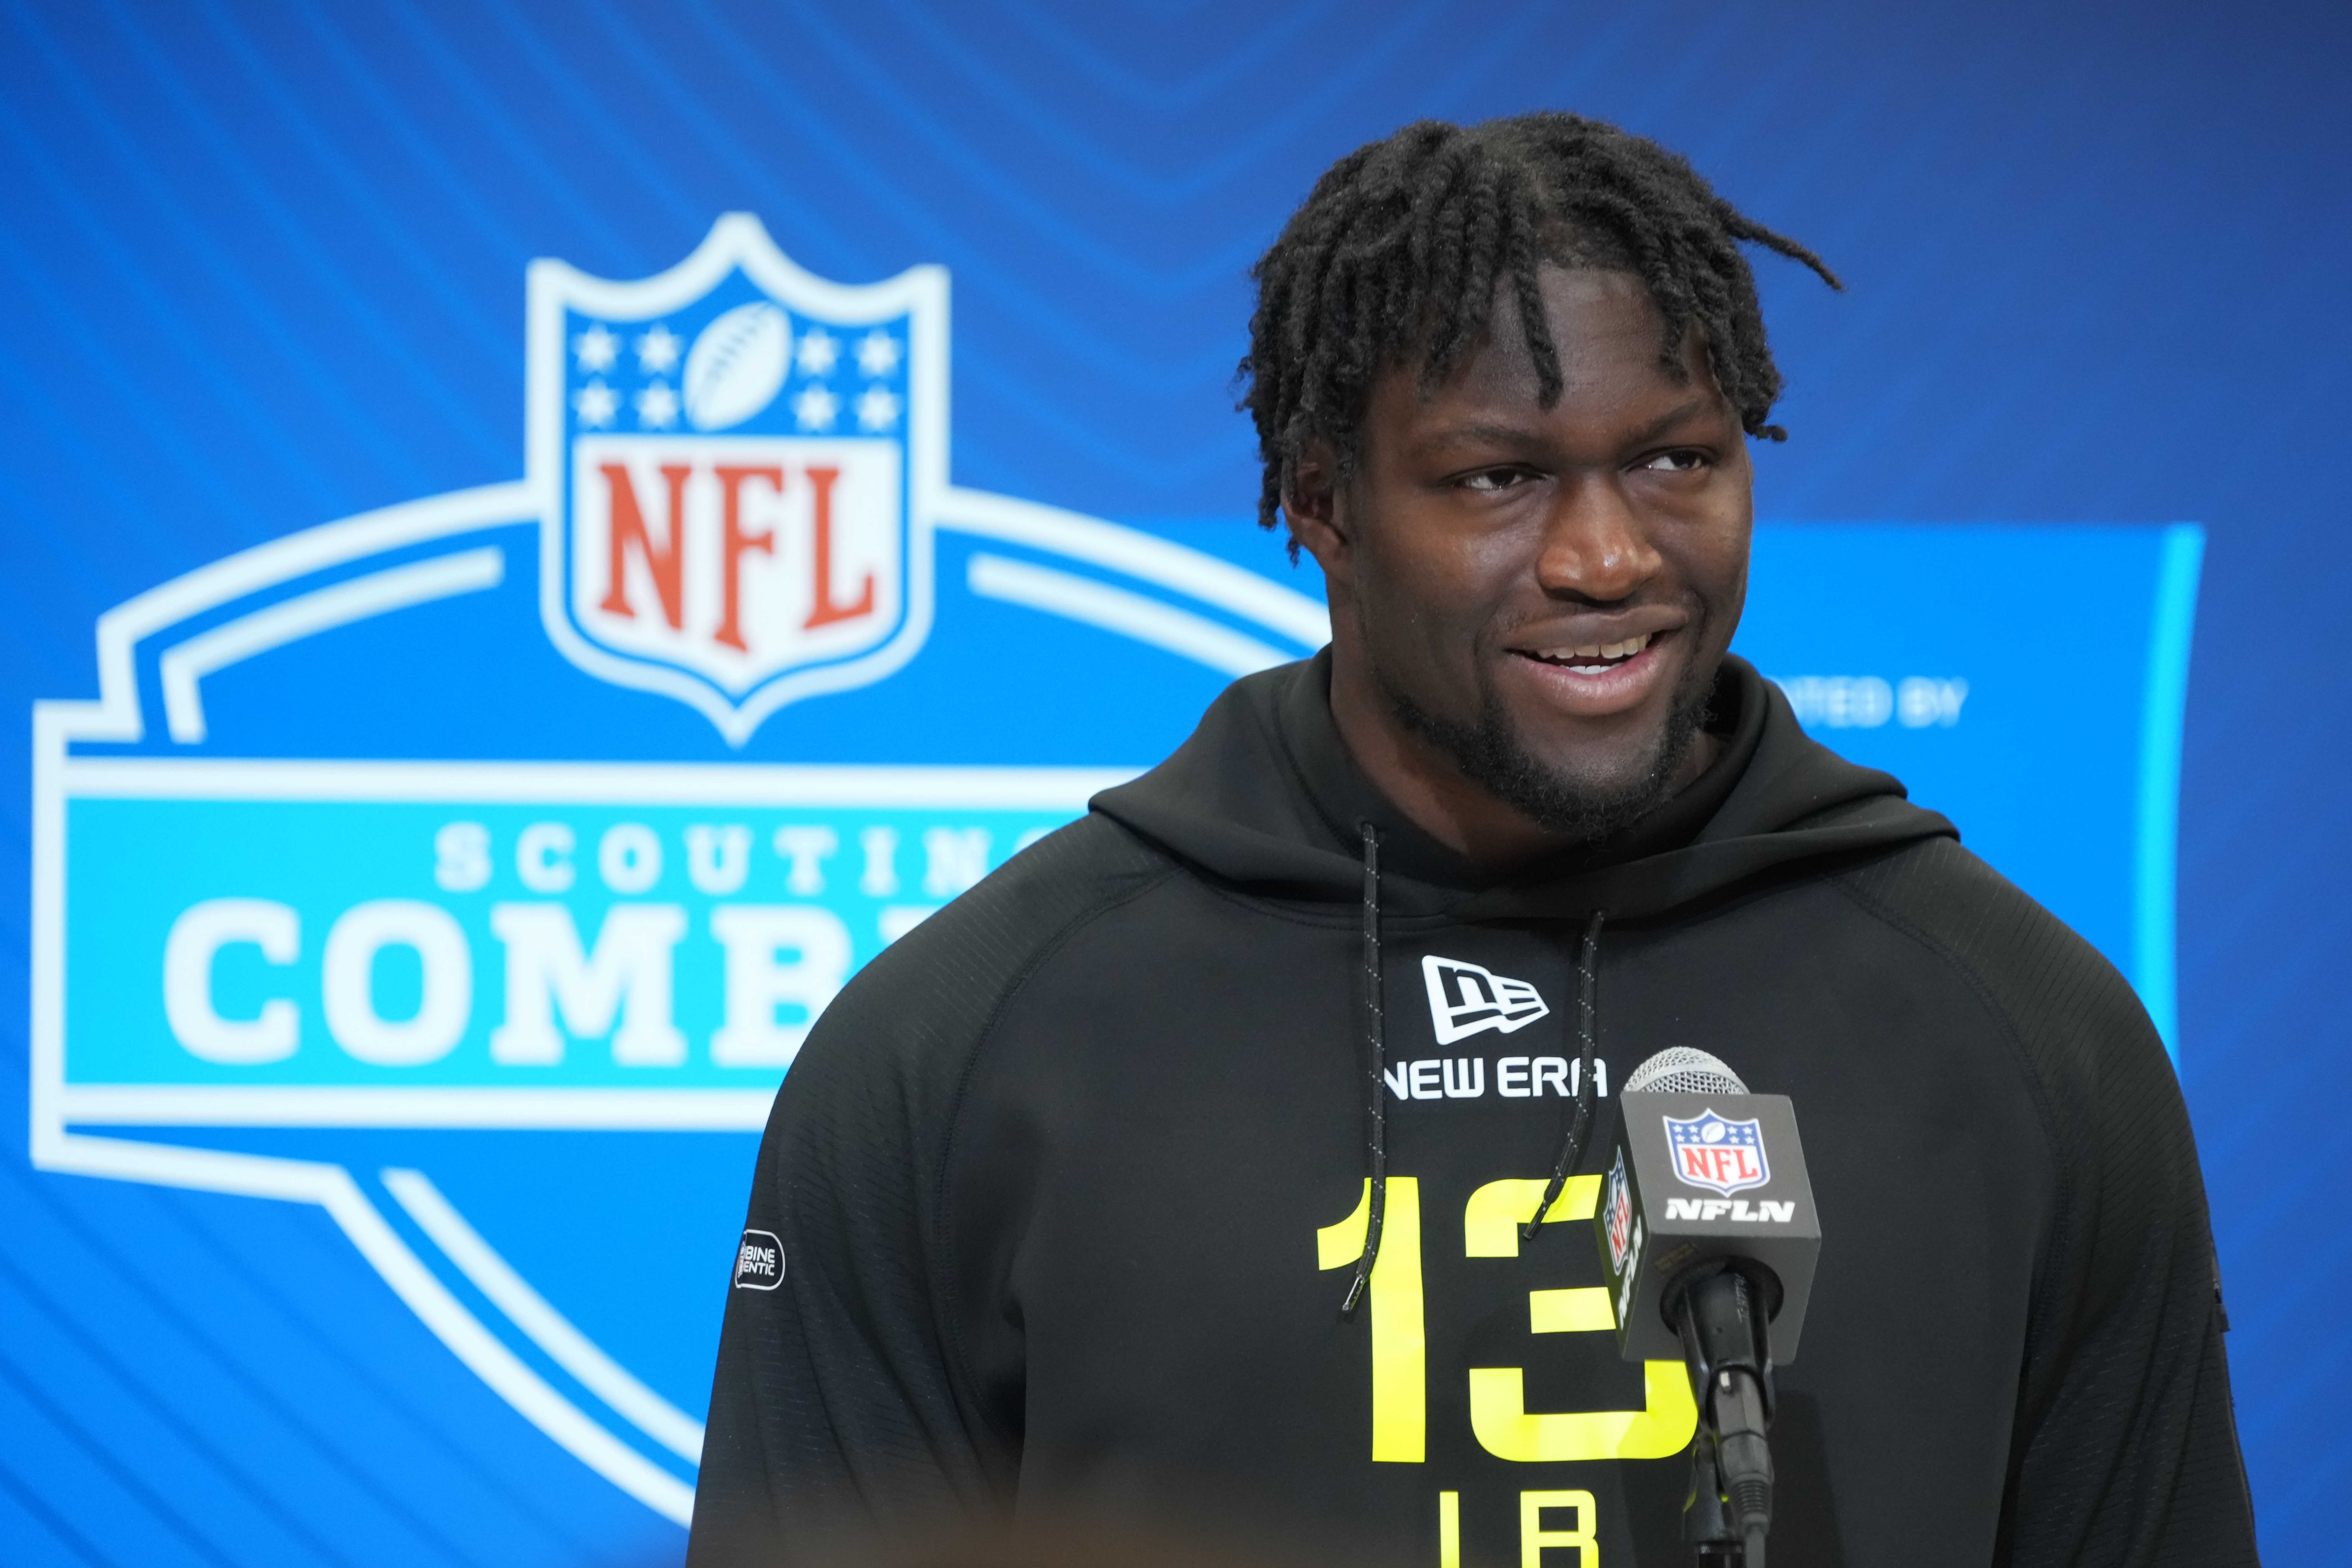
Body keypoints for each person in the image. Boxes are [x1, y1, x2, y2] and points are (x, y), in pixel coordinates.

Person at [688, 113, 2258, 1567]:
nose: (1604, 554)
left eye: (1676, 459)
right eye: (1497, 477)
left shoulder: (2026, 1034)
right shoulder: (960, 1048)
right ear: (1321, 503)